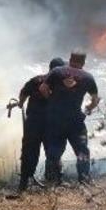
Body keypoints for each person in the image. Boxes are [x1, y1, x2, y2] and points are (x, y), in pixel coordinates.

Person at [40, 51, 100, 183]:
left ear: (70, 59)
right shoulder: (88, 77)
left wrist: (51, 101)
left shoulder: (56, 71)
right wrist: (87, 110)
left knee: (54, 151)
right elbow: (95, 100)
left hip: (56, 118)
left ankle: (52, 181)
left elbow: (43, 88)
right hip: (75, 120)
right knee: (82, 150)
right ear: (83, 62)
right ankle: (84, 180)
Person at [17, 57, 65, 191]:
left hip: (33, 123)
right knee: (53, 151)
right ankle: (53, 180)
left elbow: (23, 92)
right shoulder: (61, 85)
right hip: (50, 124)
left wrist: (21, 103)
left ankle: (24, 183)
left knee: (29, 151)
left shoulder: (36, 80)